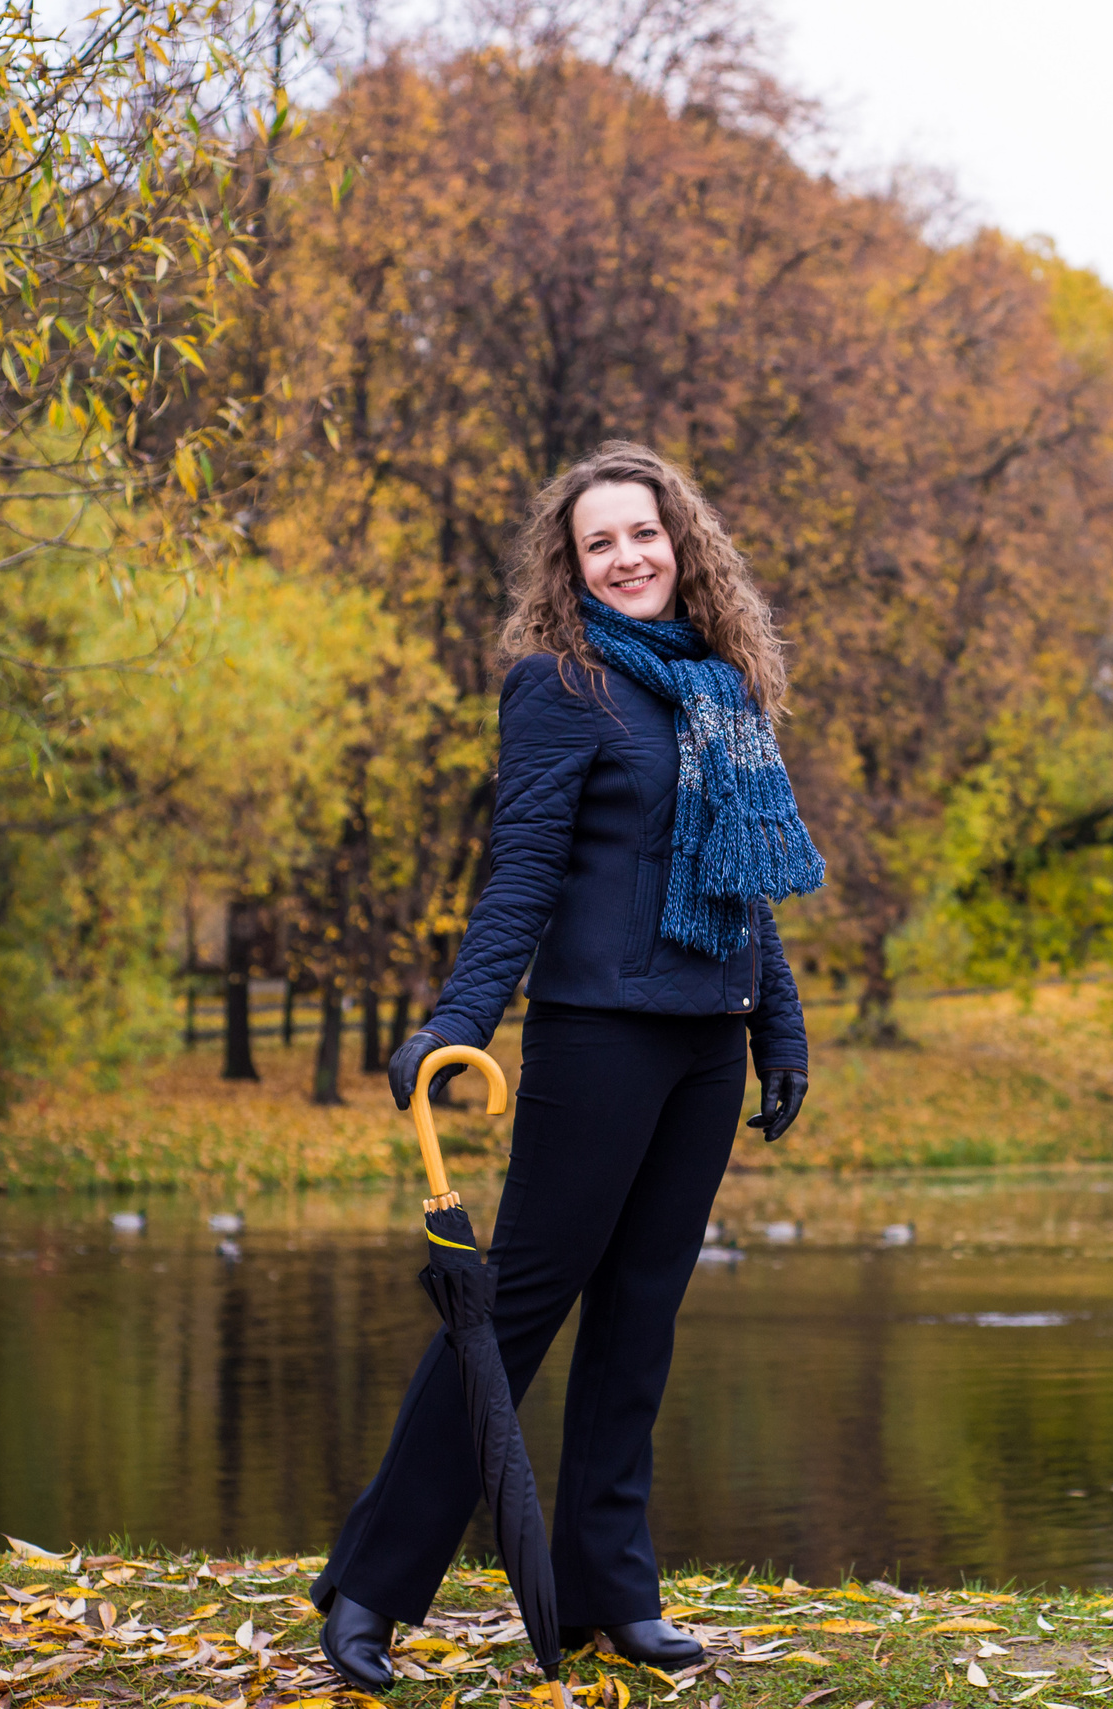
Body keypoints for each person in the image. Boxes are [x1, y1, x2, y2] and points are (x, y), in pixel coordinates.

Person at [311, 441, 824, 1686]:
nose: (627, 556)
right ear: (572, 564)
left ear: (680, 540)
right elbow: (524, 872)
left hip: (705, 1042)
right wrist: (456, 1022)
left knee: (639, 1321)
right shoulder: (559, 685)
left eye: (643, 533)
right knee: (513, 1312)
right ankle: (368, 1585)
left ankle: (611, 1593)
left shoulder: (720, 686)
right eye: (601, 542)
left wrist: (777, 1023)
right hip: (597, 1035)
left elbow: (743, 886)